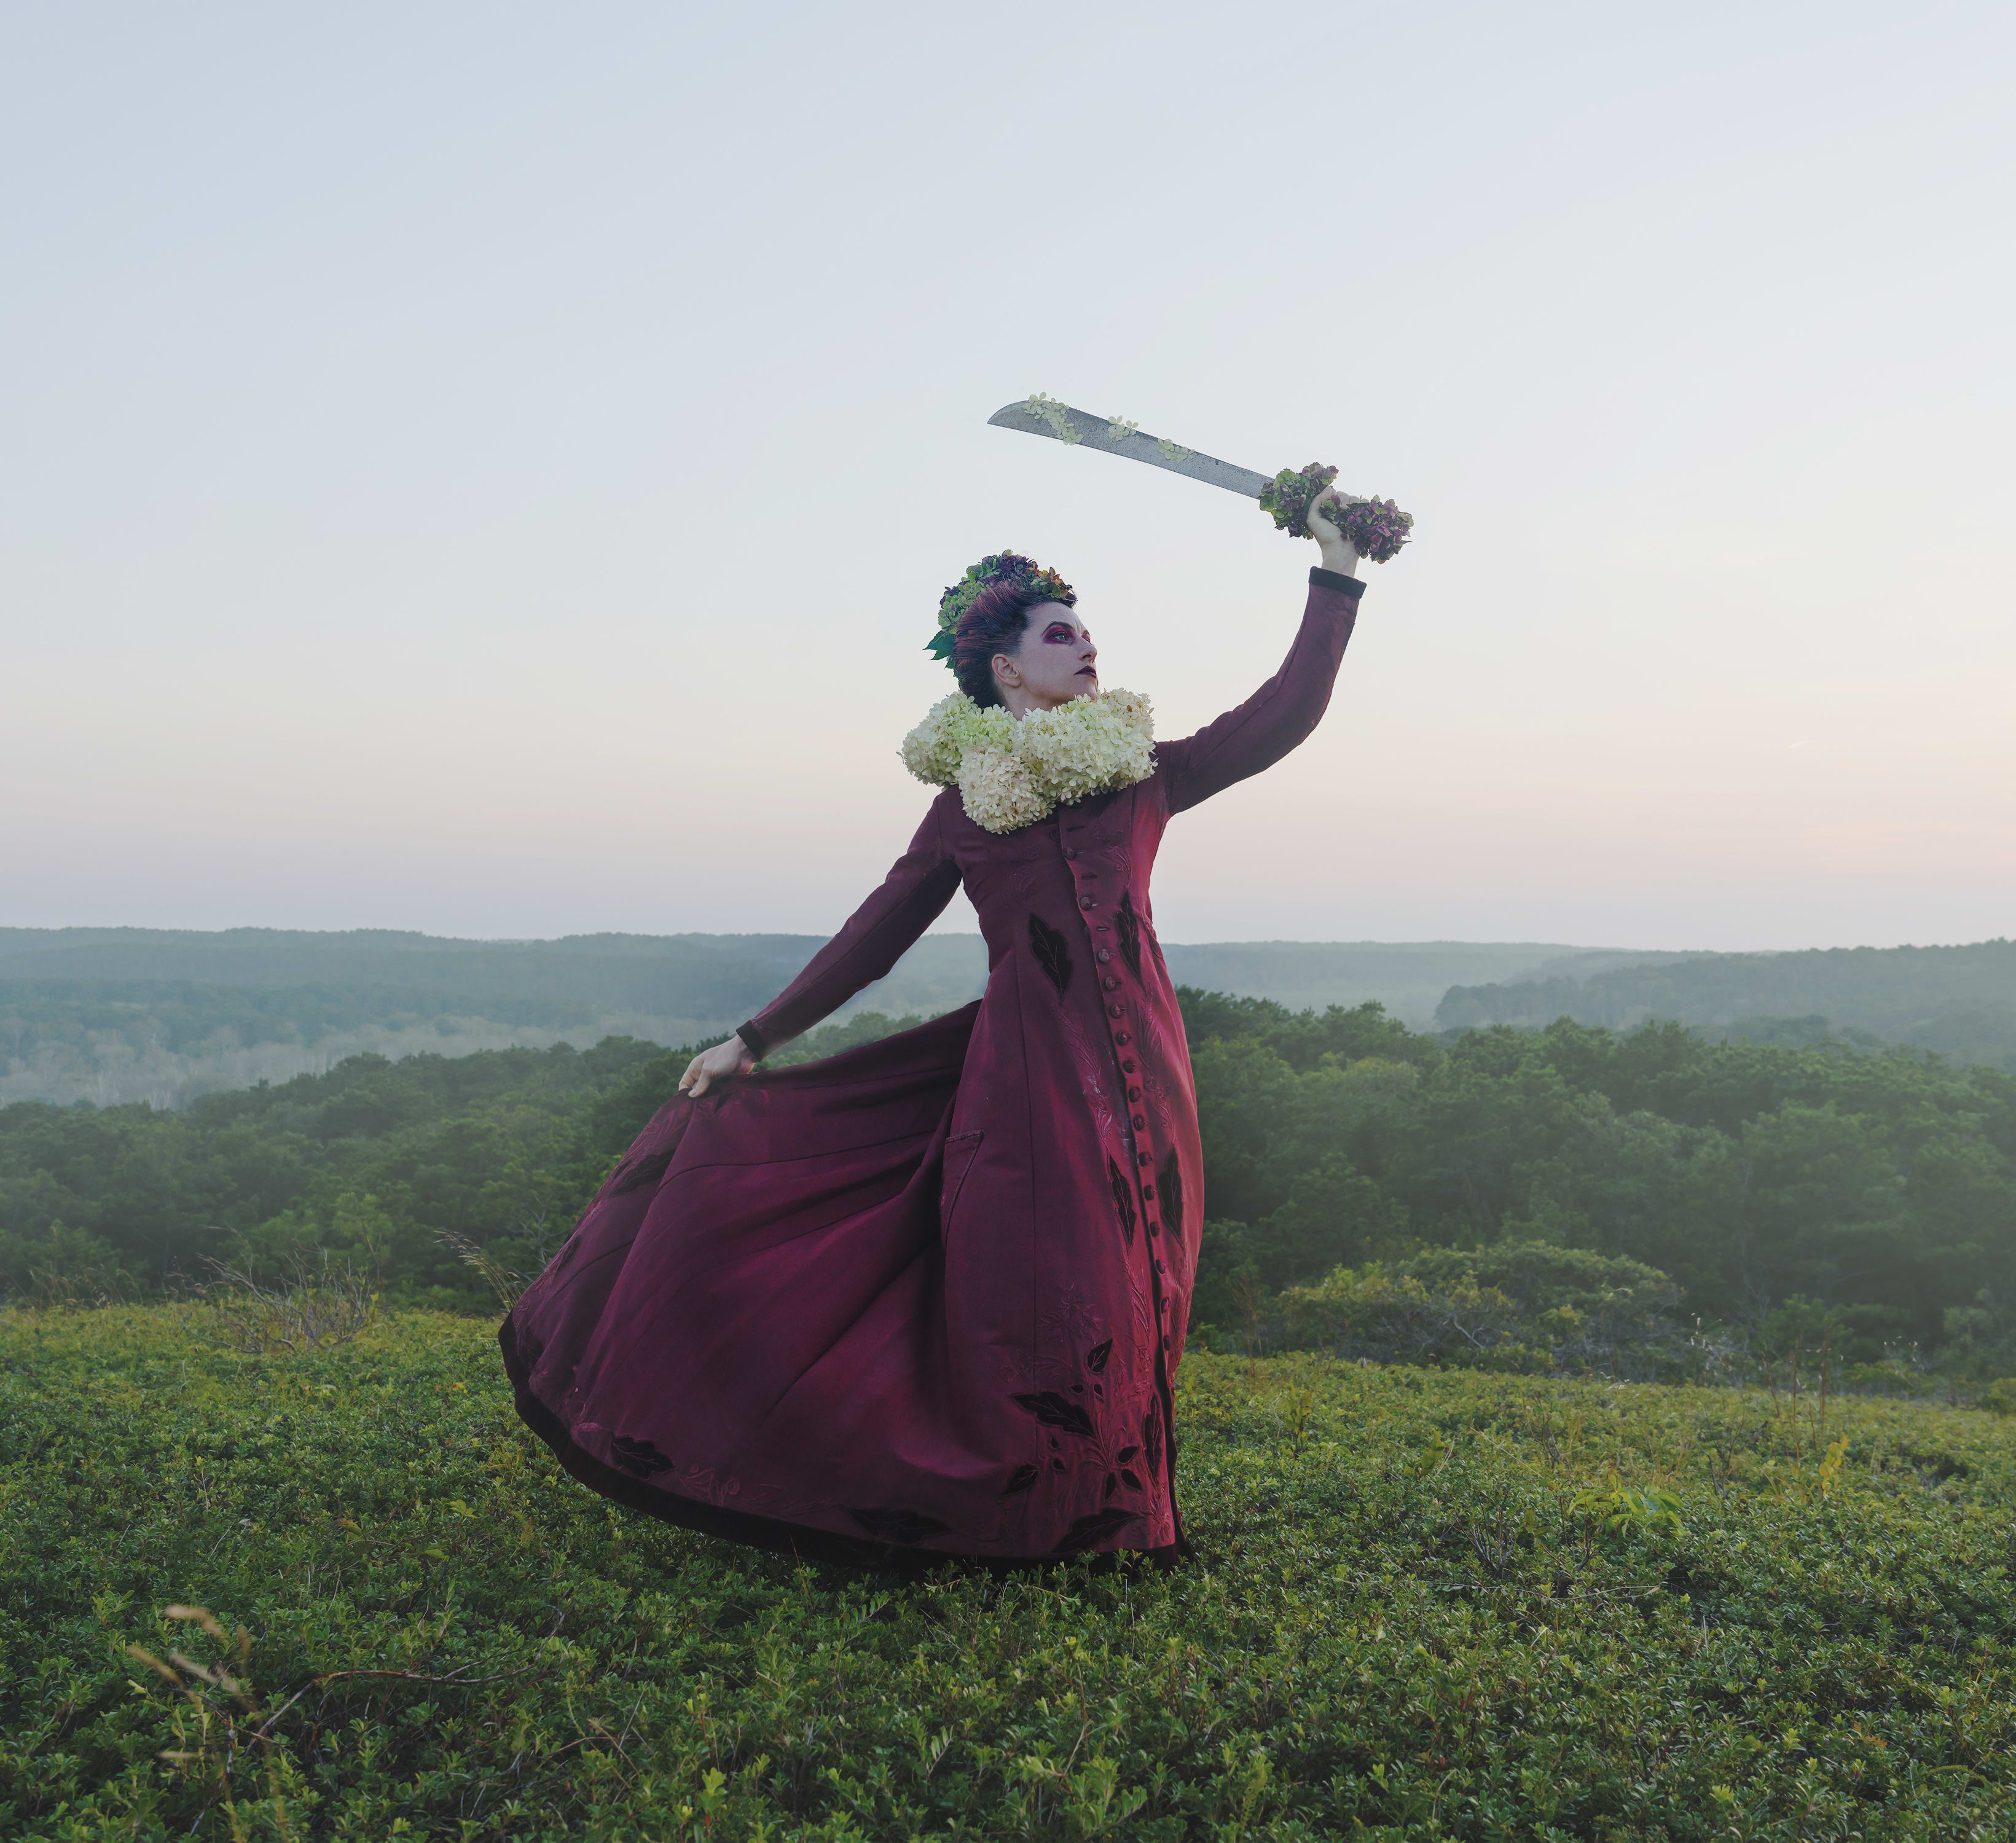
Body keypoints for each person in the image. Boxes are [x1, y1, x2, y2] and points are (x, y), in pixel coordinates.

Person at [500, 489, 1374, 1570]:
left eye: (1089, 633)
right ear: (1008, 669)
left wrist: (1334, 571)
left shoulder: (1141, 775)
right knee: (1040, 1279)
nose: (1088, 646)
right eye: (1063, 635)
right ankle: (1007, 1518)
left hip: (1148, 1059)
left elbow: (1284, 712)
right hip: (1025, 1070)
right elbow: (879, 930)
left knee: (1145, 1271)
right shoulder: (967, 802)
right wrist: (756, 1037)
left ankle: (1118, 1520)